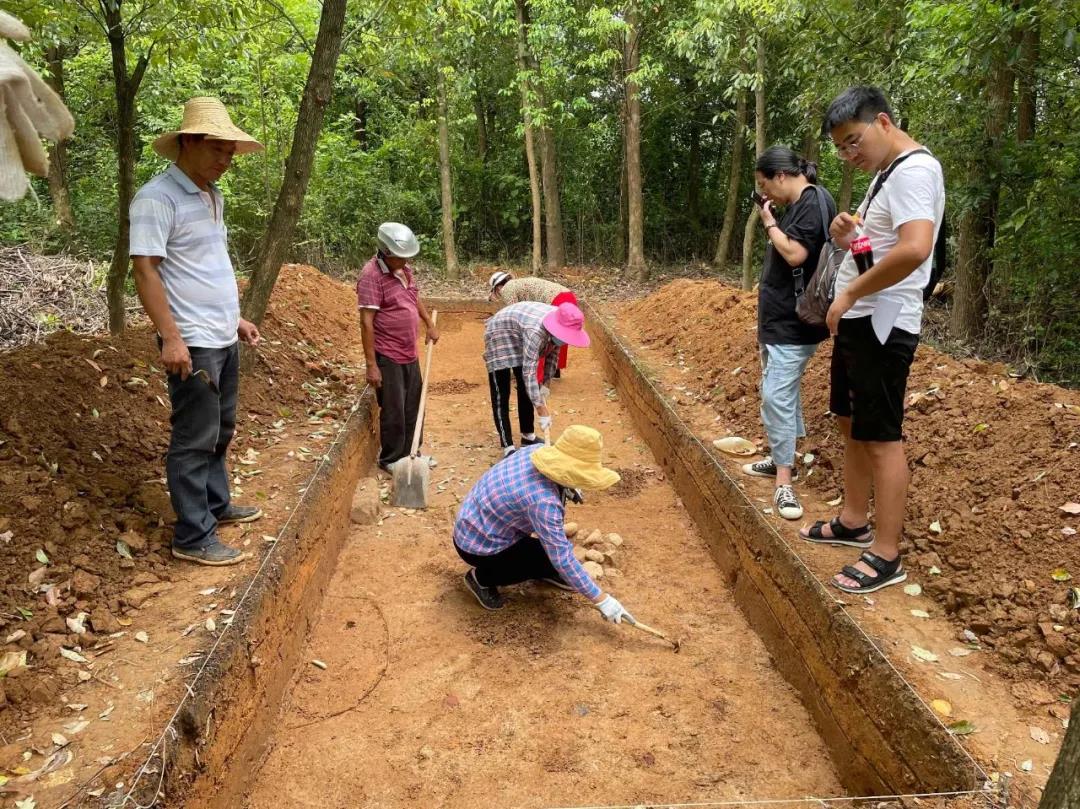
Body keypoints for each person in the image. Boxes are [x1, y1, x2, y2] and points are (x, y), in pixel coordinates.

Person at [800, 86, 945, 595]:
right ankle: (853, 519)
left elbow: (914, 250)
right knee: (851, 421)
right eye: (840, 147)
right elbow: (877, 245)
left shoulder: (914, 172)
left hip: (882, 323)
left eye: (854, 141)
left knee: (881, 436)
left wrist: (848, 295)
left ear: (883, 123)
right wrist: (848, 235)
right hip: (859, 320)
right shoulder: (886, 174)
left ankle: (886, 552)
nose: (848, 154)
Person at [130, 97, 265, 566]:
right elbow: (145, 270)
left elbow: (207, 265)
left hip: (222, 335)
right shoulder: (156, 198)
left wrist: (236, 319)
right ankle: (192, 534)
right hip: (192, 340)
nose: (226, 161)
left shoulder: (212, 194)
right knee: (193, 436)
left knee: (221, 427)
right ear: (188, 142)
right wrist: (170, 335)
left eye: (231, 153)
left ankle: (215, 504)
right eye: (219, 150)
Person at [453, 424, 634, 625]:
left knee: (548, 556)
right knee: (552, 558)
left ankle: (543, 570)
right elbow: (562, 557)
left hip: (475, 520)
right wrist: (603, 600)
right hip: (477, 545)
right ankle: (480, 578)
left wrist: (569, 486)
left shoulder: (535, 450)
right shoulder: (543, 502)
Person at [742, 147, 836, 521]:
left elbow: (795, 254)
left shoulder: (812, 202)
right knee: (782, 392)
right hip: (781, 319)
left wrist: (768, 221)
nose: (766, 195)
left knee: (776, 397)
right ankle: (780, 457)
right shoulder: (805, 203)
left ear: (780, 176)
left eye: (765, 185)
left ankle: (784, 480)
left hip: (793, 324)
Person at [357, 222, 440, 472]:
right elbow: (366, 322)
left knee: (414, 405)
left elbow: (414, 298)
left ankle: (413, 452)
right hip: (388, 354)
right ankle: (392, 459)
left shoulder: (405, 270)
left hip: (409, 351)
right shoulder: (371, 277)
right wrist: (372, 365)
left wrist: (428, 323)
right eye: (399, 257)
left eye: (406, 257)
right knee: (394, 409)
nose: (404, 261)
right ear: (385, 252)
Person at [483, 301, 589, 457]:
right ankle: (508, 446)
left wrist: (545, 385)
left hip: (520, 330)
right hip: (500, 333)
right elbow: (529, 372)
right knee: (501, 391)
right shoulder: (536, 332)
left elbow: (553, 355)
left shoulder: (563, 324)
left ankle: (528, 436)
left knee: (527, 389)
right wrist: (541, 409)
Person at [488, 271, 578, 382]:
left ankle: (535, 379)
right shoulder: (518, 284)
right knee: (559, 337)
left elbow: (514, 315)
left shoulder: (507, 289)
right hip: (569, 297)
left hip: (556, 301)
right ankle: (554, 371)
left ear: (497, 288)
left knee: (539, 341)